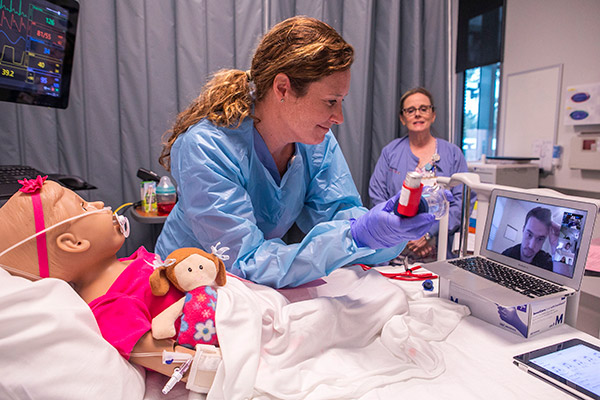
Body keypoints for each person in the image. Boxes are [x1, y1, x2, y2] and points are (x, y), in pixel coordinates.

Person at [155, 16, 433, 288]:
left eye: (342, 101)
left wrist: (384, 231)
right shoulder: (208, 146)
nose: (339, 117)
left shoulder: (316, 142)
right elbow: (247, 260)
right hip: (181, 283)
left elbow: (341, 216)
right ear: (283, 88)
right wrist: (357, 236)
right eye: (330, 101)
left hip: (251, 286)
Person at [0, 177, 193, 379]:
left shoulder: (128, 264)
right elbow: (167, 358)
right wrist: (221, 368)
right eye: (84, 206)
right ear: (73, 243)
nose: (99, 205)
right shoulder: (109, 308)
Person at [369, 87, 472, 262]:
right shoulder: (391, 152)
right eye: (411, 110)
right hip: (396, 248)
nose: (417, 114)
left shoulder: (453, 154)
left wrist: (428, 233)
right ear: (402, 118)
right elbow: (377, 195)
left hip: (438, 251)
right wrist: (404, 232)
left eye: (423, 109)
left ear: (433, 115)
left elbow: (462, 203)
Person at [501, 206, 559, 271]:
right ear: (523, 229)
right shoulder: (507, 255)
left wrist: (555, 247)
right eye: (529, 235)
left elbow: (561, 280)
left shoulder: (547, 262)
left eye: (540, 239)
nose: (531, 246)